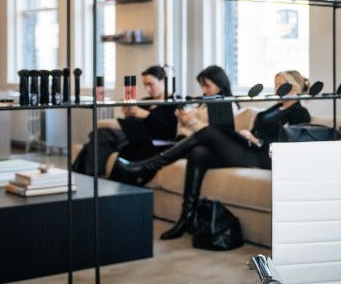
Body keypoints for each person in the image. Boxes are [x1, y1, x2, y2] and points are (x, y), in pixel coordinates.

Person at [114, 70, 311, 240]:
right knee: (199, 153)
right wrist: (248, 136)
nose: (276, 90)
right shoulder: (274, 108)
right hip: (249, 148)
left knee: (208, 132)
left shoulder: (299, 113)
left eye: (281, 86)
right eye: (275, 85)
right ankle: (186, 218)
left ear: (294, 88)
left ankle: (149, 165)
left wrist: (258, 140)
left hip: (261, 158)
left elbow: (289, 145)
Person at [71, 65, 177, 176]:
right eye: (145, 85)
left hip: (152, 140)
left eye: (150, 84)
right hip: (134, 135)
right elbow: (134, 123)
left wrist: (146, 115)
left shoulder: (174, 102)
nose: (147, 89)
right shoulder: (145, 101)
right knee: (99, 134)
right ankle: (88, 176)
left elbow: (169, 129)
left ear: (163, 81)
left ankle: (83, 175)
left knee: (101, 136)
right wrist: (129, 114)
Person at [175, 64, 235, 136]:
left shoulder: (229, 106)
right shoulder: (201, 104)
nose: (204, 90)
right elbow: (181, 132)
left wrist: (190, 121)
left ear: (220, 84)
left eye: (207, 86)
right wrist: (181, 119)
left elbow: (216, 134)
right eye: (202, 86)